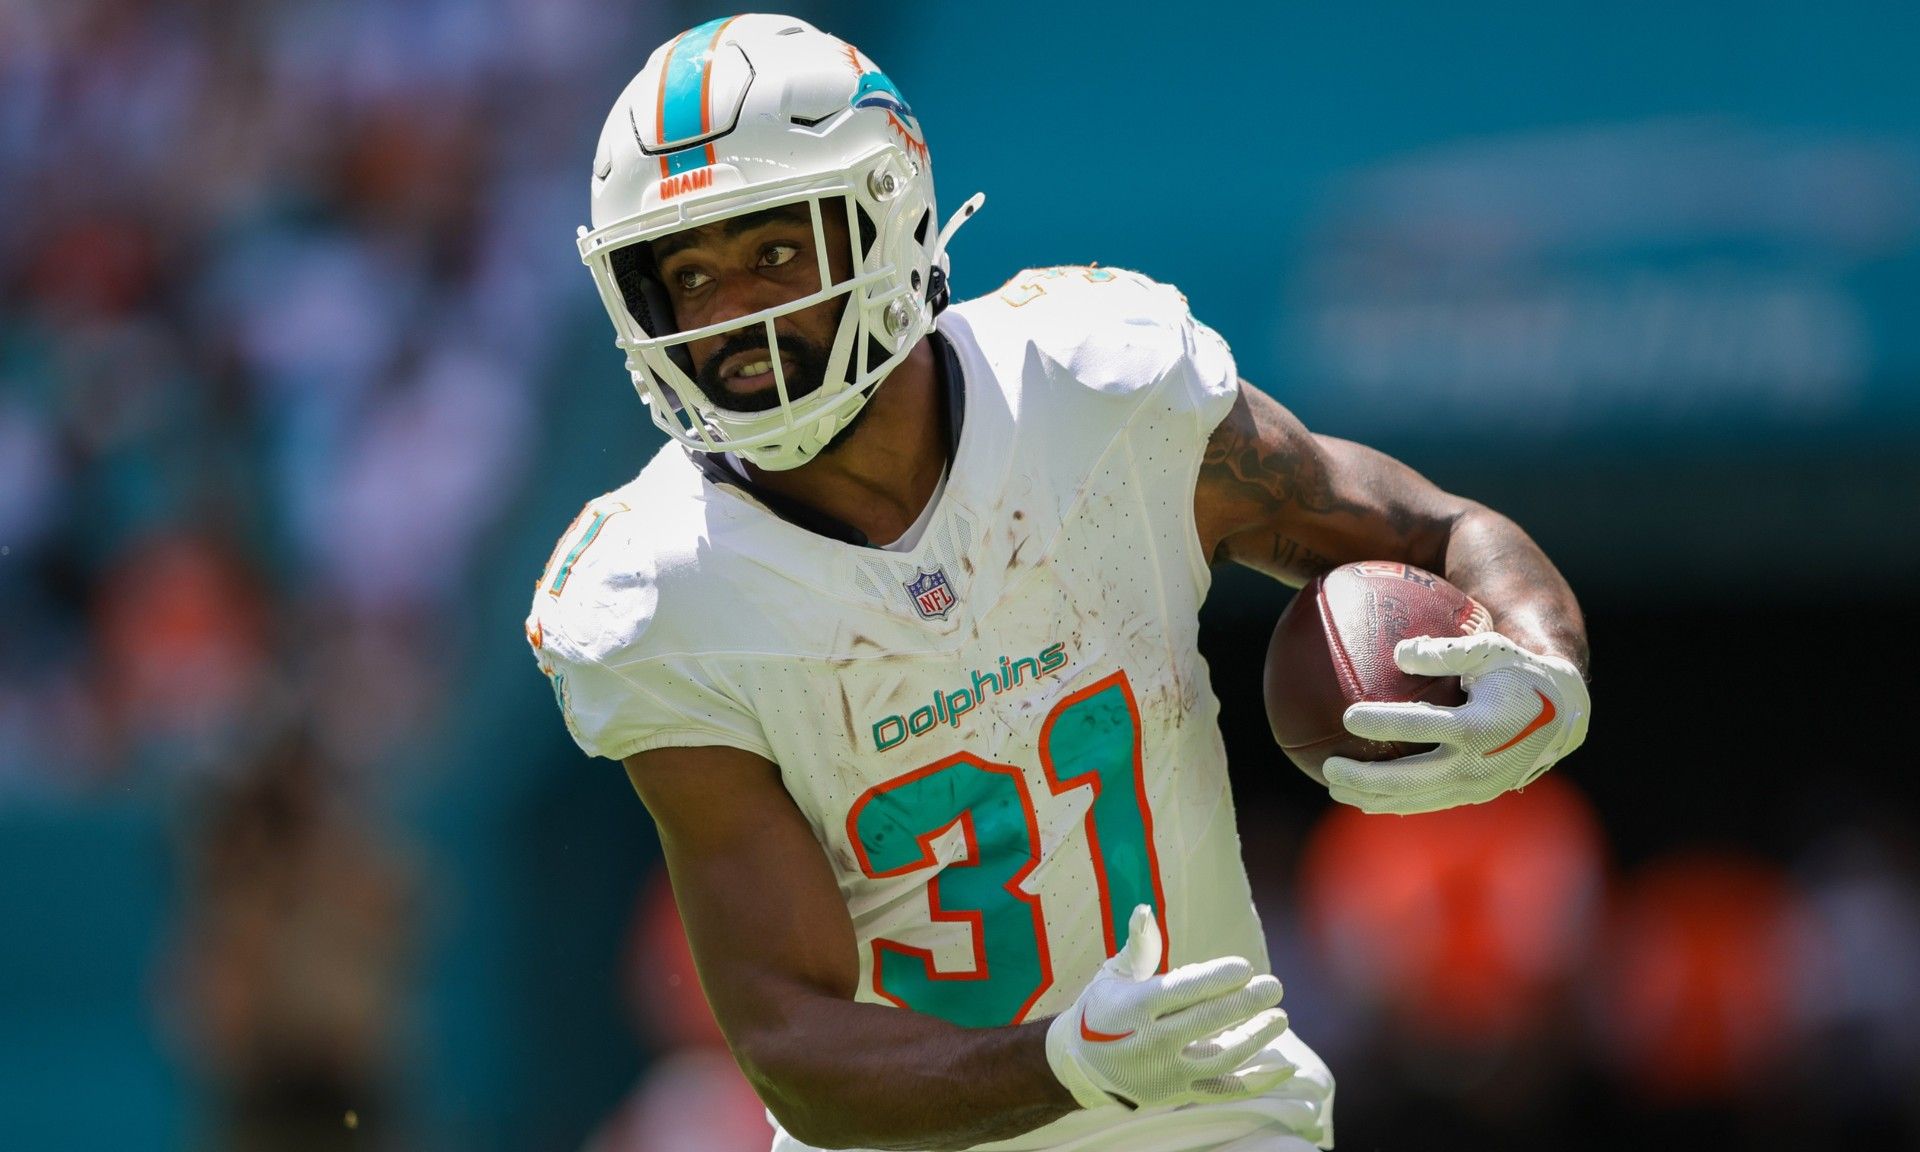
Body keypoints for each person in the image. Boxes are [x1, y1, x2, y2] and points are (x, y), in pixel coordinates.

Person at [526, 15, 1591, 1152]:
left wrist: (1545, 666)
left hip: (1216, 1121)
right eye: (689, 274)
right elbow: (791, 1039)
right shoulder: (663, 592)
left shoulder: (1097, 388)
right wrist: (1063, 1063)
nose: (732, 313)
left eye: (776, 253)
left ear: (889, 217)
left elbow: (1442, 531)